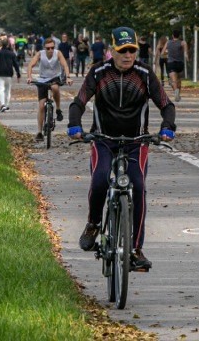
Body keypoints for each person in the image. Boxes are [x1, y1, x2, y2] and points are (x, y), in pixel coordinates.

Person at [67, 26, 176, 271]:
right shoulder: (98, 72)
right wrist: (75, 125)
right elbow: (79, 102)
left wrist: (168, 127)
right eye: (122, 50)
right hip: (104, 139)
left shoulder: (145, 74)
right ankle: (93, 224)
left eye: (132, 50)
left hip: (136, 142)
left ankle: (136, 249)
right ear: (111, 51)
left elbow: (166, 106)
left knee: (137, 186)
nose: (128, 56)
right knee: (100, 180)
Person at [27, 37, 73, 142]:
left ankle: (58, 108)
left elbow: (64, 65)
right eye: (48, 48)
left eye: (52, 47)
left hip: (54, 77)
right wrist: (29, 77)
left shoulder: (58, 53)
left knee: (55, 87)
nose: (50, 50)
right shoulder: (40, 54)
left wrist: (68, 76)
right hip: (42, 79)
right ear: (44, 48)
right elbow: (31, 65)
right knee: (41, 105)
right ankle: (39, 132)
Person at [0, 37, 21, 112]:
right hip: (8, 74)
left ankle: (3, 105)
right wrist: (18, 74)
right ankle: (6, 105)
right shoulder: (12, 54)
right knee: (7, 90)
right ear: (8, 45)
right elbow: (16, 64)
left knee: (0, 89)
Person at [166, 30, 188, 102]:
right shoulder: (182, 42)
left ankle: (176, 92)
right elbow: (185, 53)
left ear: (172, 35)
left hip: (171, 63)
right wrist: (187, 57)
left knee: (173, 80)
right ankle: (178, 94)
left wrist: (168, 53)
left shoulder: (168, 42)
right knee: (179, 79)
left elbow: (163, 52)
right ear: (179, 36)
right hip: (180, 63)